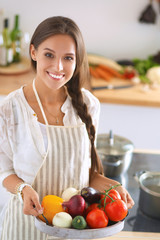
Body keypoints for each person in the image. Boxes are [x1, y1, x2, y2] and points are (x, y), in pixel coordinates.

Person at [0, 16, 134, 240]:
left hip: (75, 230)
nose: (58, 67)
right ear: (34, 52)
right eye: (49, 55)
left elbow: (83, 177)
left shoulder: (89, 105)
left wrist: (113, 188)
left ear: (77, 60)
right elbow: (4, 170)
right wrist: (23, 189)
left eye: (68, 58)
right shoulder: (10, 108)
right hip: (24, 228)